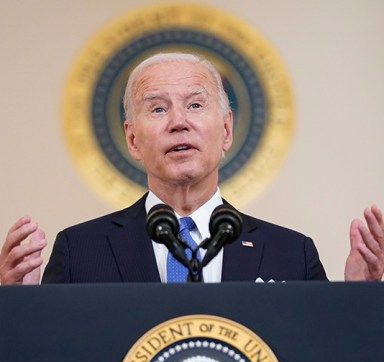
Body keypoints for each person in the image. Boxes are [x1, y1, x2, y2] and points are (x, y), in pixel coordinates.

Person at [0, 52, 383, 285]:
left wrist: (360, 296)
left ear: (227, 129)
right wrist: (16, 306)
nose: (178, 122)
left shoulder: (291, 253)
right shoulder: (80, 252)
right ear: (132, 140)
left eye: (196, 105)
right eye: (158, 108)